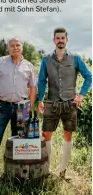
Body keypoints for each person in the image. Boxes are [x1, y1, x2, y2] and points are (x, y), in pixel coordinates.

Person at [37, 27, 92, 178]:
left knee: (68, 134)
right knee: (46, 134)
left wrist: (80, 96)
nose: (60, 40)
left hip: (70, 104)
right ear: (53, 40)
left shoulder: (76, 59)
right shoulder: (46, 60)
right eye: (57, 38)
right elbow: (41, 81)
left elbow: (89, 77)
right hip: (51, 103)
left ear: (67, 40)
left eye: (63, 38)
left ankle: (63, 170)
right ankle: (47, 169)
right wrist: (40, 100)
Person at [0, 37, 37, 179]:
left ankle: (16, 172)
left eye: (17, 45)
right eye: (12, 45)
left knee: (20, 140)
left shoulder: (29, 66)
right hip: (2, 106)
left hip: (22, 107)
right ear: (8, 48)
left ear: (22, 47)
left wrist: (30, 105)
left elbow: (33, 87)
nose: (15, 48)